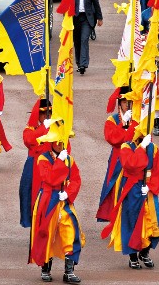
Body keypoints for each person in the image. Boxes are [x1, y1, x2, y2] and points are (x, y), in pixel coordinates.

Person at [29, 128, 85, 283]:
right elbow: (51, 178)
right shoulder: (43, 159)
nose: (61, 144)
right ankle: (45, 268)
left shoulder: (69, 159)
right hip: (48, 199)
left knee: (70, 231)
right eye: (58, 142)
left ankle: (69, 271)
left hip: (64, 199)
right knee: (47, 233)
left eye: (63, 141)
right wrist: (60, 161)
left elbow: (76, 179)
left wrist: (68, 192)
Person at [101, 132, 159, 270]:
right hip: (132, 189)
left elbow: (158, 170)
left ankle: (144, 252)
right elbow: (130, 165)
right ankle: (133, 257)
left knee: (156, 223)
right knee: (132, 223)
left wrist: (150, 186)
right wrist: (142, 147)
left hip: (147, 188)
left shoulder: (153, 148)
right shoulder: (126, 147)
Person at [96, 87, 138, 222]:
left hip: (134, 158)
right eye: (125, 102)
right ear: (120, 103)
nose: (128, 105)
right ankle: (116, 219)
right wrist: (123, 124)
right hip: (118, 158)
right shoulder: (112, 120)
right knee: (116, 188)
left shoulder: (138, 119)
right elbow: (112, 139)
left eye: (130, 102)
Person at [19, 98, 53, 228]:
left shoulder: (55, 126)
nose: (46, 116)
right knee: (29, 193)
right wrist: (44, 127)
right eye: (44, 113)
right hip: (34, 167)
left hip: (51, 165)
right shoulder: (29, 129)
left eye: (49, 113)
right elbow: (30, 141)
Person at [72, 0, 103, 74]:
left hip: (87, 17)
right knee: (77, 41)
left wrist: (99, 17)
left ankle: (83, 64)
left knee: (84, 39)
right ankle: (79, 62)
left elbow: (96, 2)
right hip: (74, 18)